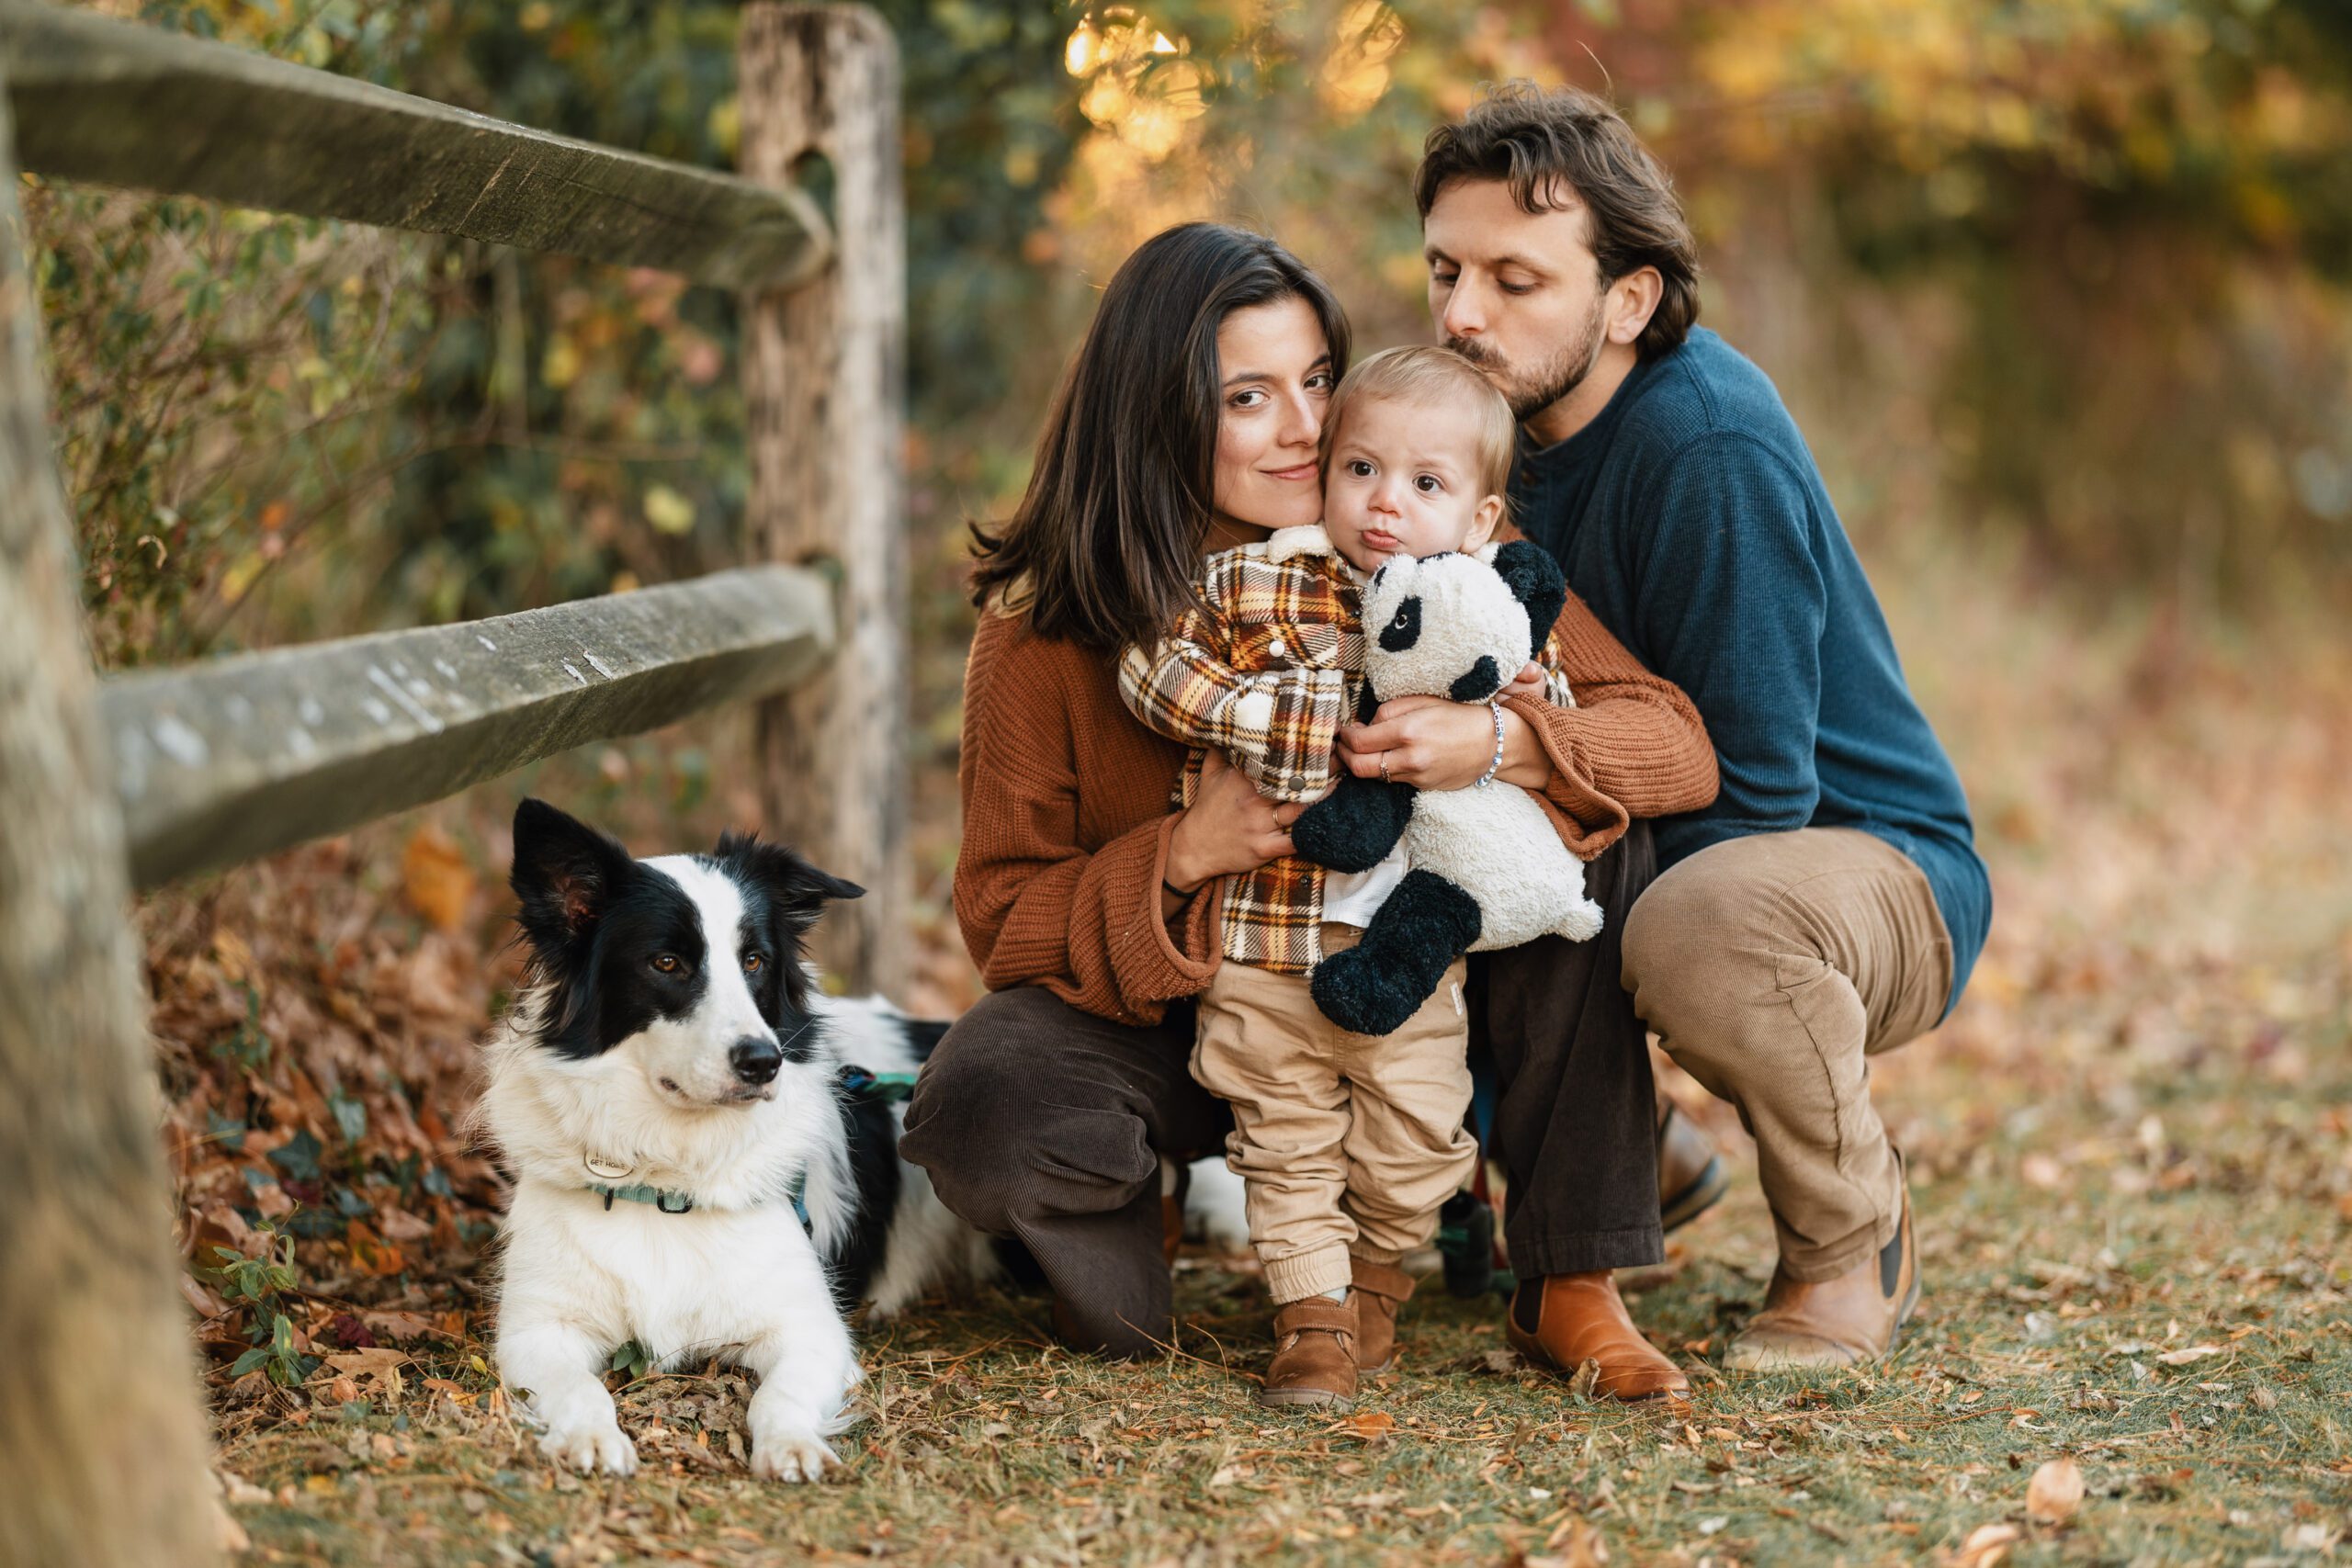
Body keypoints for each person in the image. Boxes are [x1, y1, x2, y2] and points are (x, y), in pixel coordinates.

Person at [899, 220, 1718, 1401]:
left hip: (1409, 983)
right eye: (1249, 396)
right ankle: (1162, 1232)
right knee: (986, 1099)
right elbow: (1004, 919)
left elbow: (1670, 742)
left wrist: (1504, 741)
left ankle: (1570, 1276)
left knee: (1586, 842)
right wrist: (1177, 856)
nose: (1304, 426)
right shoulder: (1045, 630)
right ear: (1158, 411)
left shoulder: (1429, 553)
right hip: (1191, 1011)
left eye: (1318, 380)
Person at [1415, 84, 1995, 1370]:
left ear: (1626, 300)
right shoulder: (1471, 436)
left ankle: (1853, 1238)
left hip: (1866, 865)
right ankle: (1639, 1171)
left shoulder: (1702, 447)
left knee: (1699, 918)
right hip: (1663, 824)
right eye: (1446, 269)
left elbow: (1760, 798)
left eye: (1516, 278)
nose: (1461, 313)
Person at [1114, 345, 1585, 1409]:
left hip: (1406, 953)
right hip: (1267, 938)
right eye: (1360, 470)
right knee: (1282, 1137)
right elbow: (1152, 665)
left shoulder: (1490, 610)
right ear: (1326, 474)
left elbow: (1557, 714)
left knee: (1420, 1136)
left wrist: (1497, 726)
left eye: (1425, 484)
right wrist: (1281, 721)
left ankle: (1374, 1285)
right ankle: (1312, 1322)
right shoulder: (1255, 577)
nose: (1383, 504)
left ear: (1478, 516)